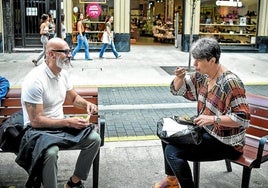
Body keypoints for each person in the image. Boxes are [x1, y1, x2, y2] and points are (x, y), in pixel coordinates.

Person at [153, 37, 250, 188]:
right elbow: (178, 89)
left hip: (227, 143)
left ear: (211, 60)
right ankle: (172, 180)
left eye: (198, 60)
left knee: (173, 151)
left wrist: (212, 119)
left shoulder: (230, 82)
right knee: (167, 133)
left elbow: (242, 119)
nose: (194, 65)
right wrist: (179, 78)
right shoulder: (204, 76)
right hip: (206, 132)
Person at [19, 37, 101, 188]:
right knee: (50, 153)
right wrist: (69, 122)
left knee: (94, 139)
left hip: (59, 125)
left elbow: (73, 98)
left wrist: (87, 104)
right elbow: (36, 121)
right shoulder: (35, 80)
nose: (70, 55)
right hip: (37, 130)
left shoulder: (62, 73)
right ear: (51, 54)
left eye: (69, 51)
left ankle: (74, 182)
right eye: (65, 52)